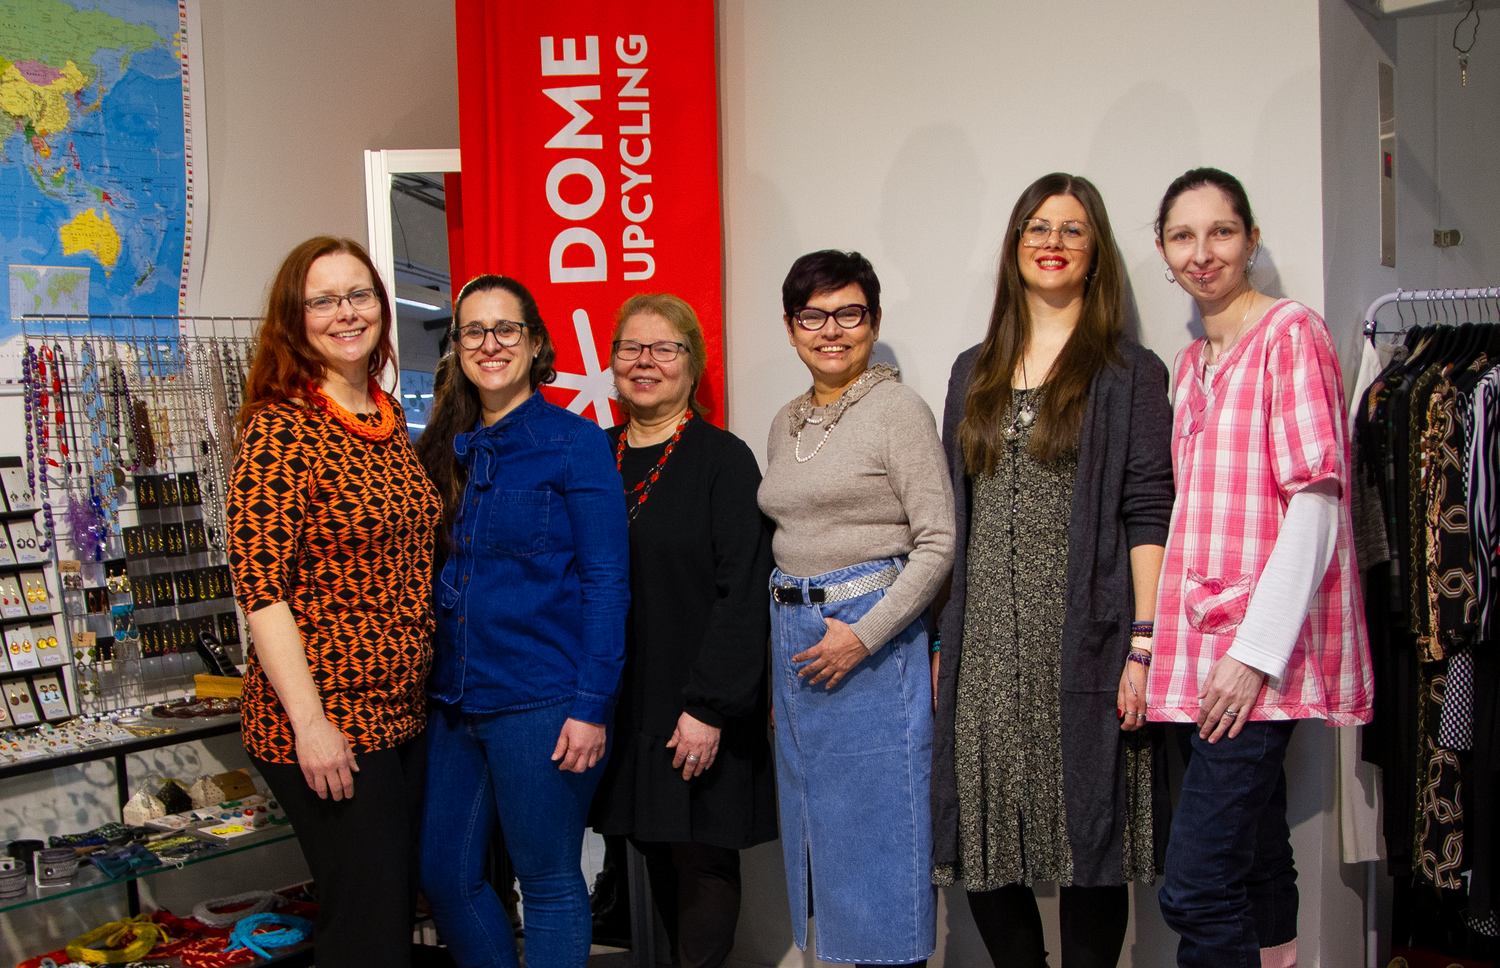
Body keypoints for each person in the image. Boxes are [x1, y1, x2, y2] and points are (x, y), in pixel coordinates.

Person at [930, 173, 1175, 967]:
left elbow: (1147, 509)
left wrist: (1143, 642)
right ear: (1014, 248)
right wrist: (943, 640)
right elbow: (949, 514)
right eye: (1037, 228)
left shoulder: (1130, 372)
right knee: (984, 840)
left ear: (1095, 251)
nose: (1052, 243)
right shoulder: (973, 369)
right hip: (984, 649)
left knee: (1088, 842)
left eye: (1072, 230)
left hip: (1087, 639)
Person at [1149, 168, 1374, 968]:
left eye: (1221, 232)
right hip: (1193, 649)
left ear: (1250, 240)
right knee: (1254, 857)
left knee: (1197, 885)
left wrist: (1253, 655)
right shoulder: (1187, 365)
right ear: (1163, 250)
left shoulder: (1290, 334)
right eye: (1183, 235)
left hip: (1252, 655)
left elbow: (1316, 506)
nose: (1202, 252)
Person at [228, 236, 441, 968]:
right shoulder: (282, 427)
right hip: (330, 721)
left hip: (402, 712)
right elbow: (262, 591)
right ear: (295, 317)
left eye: (359, 295)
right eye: (323, 300)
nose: (345, 313)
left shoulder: (382, 413)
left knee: (390, 912)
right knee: (367, 933)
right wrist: (310, 723)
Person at [414, 274, 629, 968]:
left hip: (542, 699)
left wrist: (593, 705)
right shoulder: (441, 445)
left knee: (548, 882)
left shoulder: (575, 442)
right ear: (456, 347)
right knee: (445, 875)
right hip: (452, 699)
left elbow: (606, 581)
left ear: (535, 343)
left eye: (506, 329)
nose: (490, 343)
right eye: (473, 331)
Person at [758, 250, 955, 967]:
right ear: (790, 327)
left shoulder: (898, 410)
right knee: (820, 843)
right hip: (796, 642)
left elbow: (936, 544)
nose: (831, 330)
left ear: (872, 322)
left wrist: (863, 637)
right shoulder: (787, 422)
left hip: (871, 647)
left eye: (849, 313)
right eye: (813, 315)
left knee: (882, 845)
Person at [588, 294, 777, 968]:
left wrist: (709, 705)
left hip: (697, 701)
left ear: (691, 367)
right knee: (646, 847)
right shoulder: (594, 454)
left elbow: (745, 590)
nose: (646, 362)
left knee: (701, 858)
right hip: (622, 703)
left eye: (664, 348)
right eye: (630, 348)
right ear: (611, 363)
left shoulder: (722, 459)